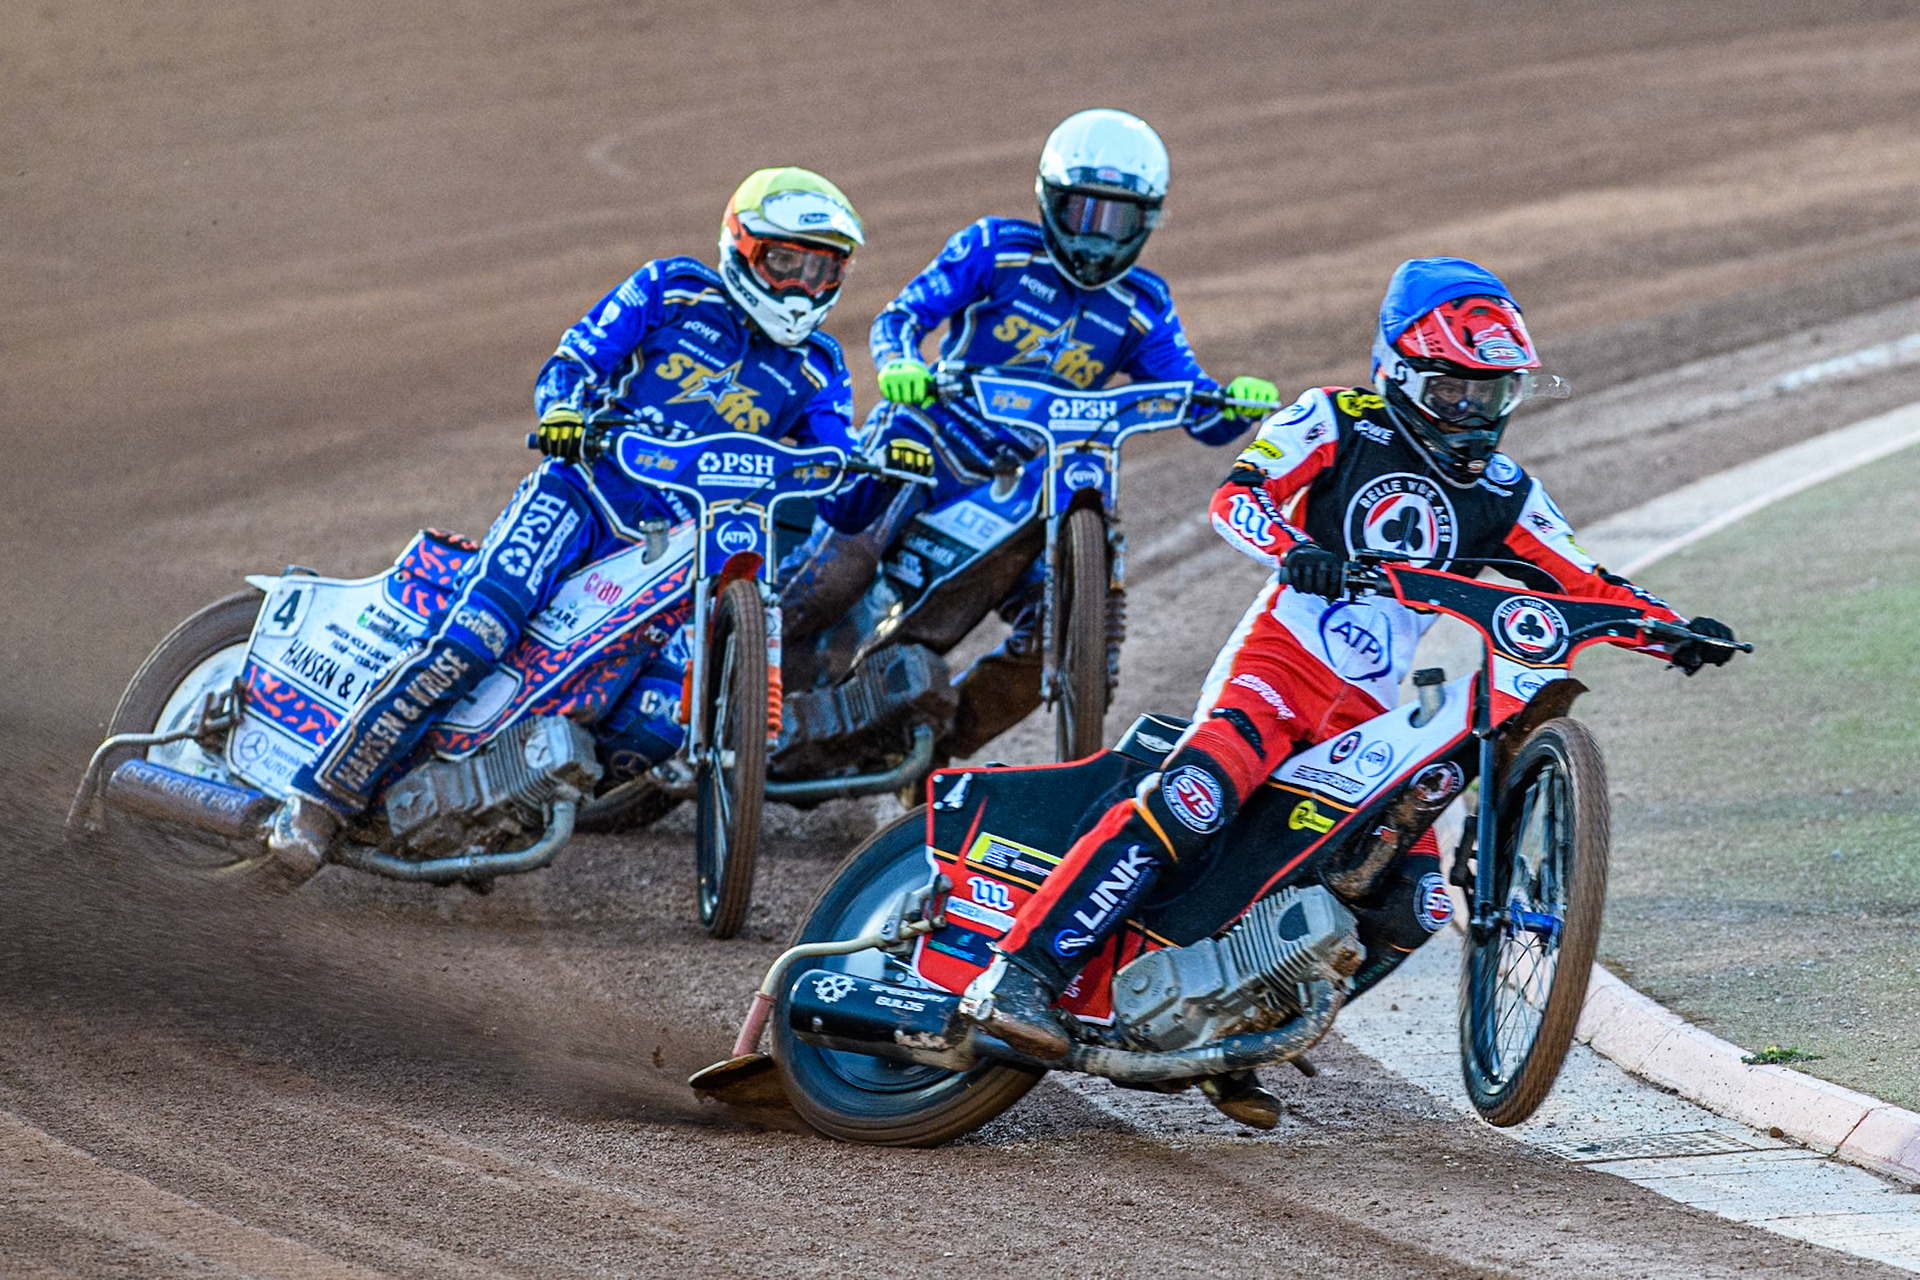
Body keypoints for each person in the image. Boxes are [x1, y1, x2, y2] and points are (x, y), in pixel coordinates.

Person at [962, 255, 1741, 1126]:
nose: (1476, 416)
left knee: (1412, 902)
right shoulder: (1335, 419)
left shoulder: (1505, 494)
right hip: (1279, 671)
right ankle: (1021, 972)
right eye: (1456, 391)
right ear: (1400, 375)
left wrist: (1673, 630)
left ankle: (1236, 1032)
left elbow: (1586, 582)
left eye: (1495, 396)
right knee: (1194, 800)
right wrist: (1292, 544)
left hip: (1366, 720)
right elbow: (1238, 495)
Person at [267, 167, 903, 875]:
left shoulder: (818, 366)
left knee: (658, 725)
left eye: (822, 268)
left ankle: (505, 798)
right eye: (786, 261)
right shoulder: (671, 289)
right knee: (476, 636)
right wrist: (566, 411)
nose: (801, 285)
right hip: (581, 500)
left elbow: (840, 487)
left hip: (680, 560)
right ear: (744, 248)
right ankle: (318, 799)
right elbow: (574, 361)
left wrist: (888, 472)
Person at [778, 108, 1281, 761]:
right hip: (933, 439)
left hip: (1044, 485)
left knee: (1072, 638)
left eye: (1118, 220)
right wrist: (902, 365)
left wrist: (1233, 404)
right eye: (1082, 214)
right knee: (838, 575)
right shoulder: (995, 248)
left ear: (1147, 221)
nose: (1098, 239)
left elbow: (1192, 403)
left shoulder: (1143, 304)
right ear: (1049, 200)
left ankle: (916, 747)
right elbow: (901, 316)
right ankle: (735, 690)